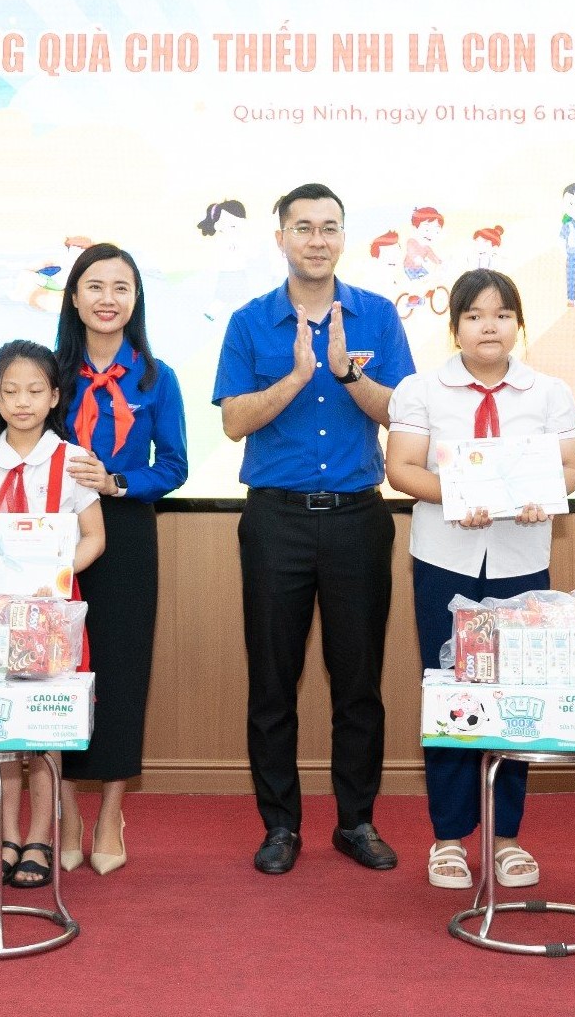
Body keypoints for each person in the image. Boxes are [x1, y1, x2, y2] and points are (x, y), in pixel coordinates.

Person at [215, 183, 418, 876]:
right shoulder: (249, 321)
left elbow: (401, 413)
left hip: (358, 517)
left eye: (329, 227)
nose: (316, 239)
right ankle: (280, 826)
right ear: (281, 238)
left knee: (357, 682)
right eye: (302, 227)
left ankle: (356, 822)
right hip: (276, 520)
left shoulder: (378, 315)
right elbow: (233, 421)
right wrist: (299, 376)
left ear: (343, 238)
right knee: (273, 681)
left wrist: (345, 375)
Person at [385, 269, 575, 892]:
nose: (488, 327)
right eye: (473, 316)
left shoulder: (548, 392)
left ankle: (506, 837)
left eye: (501, 315)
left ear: (518, 324)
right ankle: (448, 837)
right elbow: (400, 468)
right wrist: (457, 495)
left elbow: (570, 469)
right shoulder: (421, 390)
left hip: (521, 560)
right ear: (455, 327)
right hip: (445, 559)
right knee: (449, 690)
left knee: (517, 694)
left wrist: (543, 493)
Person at [0, 340, 107, 890]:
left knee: (42, 728)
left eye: (35, 391)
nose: (22, 402)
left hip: (50, 617)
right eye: (10, 391)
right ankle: (6, 837)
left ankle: (41, 835)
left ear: (55, 397)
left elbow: (95, 537)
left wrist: (53, 574)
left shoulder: (73, 461)